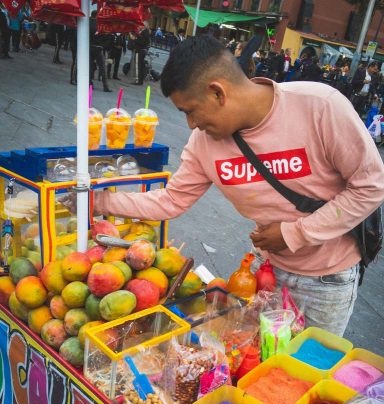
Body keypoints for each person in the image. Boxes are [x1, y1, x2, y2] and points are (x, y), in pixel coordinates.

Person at [90, 36, 384, 336]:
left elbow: (371, 186)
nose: (191, 124)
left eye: (190, 110)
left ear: (218, 92)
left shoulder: (320, 106)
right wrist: (96, 202)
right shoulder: (204, 143)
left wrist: (294, 233)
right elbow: (170, 200)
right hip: (263, 269)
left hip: (326, 282)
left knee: (306, 373)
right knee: (249, 361)